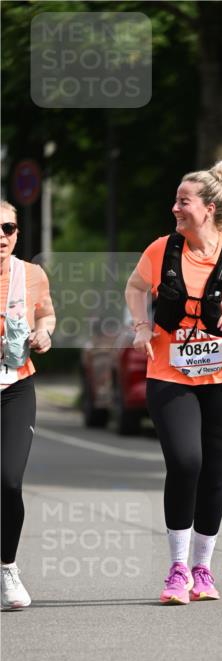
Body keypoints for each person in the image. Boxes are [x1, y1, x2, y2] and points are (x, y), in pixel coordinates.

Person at [125, 160, 222, 604]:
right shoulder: (161, 251)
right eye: (175, 201)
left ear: (208, 208)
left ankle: (203, 570)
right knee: (185, 462)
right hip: (170, 375)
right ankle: (176, 570)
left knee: (213, 472)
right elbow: (135, 287)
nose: (174, 208)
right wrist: (140, 326)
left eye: (183, 202)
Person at [0, 200, 55, 609]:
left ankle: (7, 569)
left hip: (15, 385)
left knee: (9, 481)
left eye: (8, 228)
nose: (1, 236)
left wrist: (43, 333)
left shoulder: (31, 274)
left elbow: (46, 316)